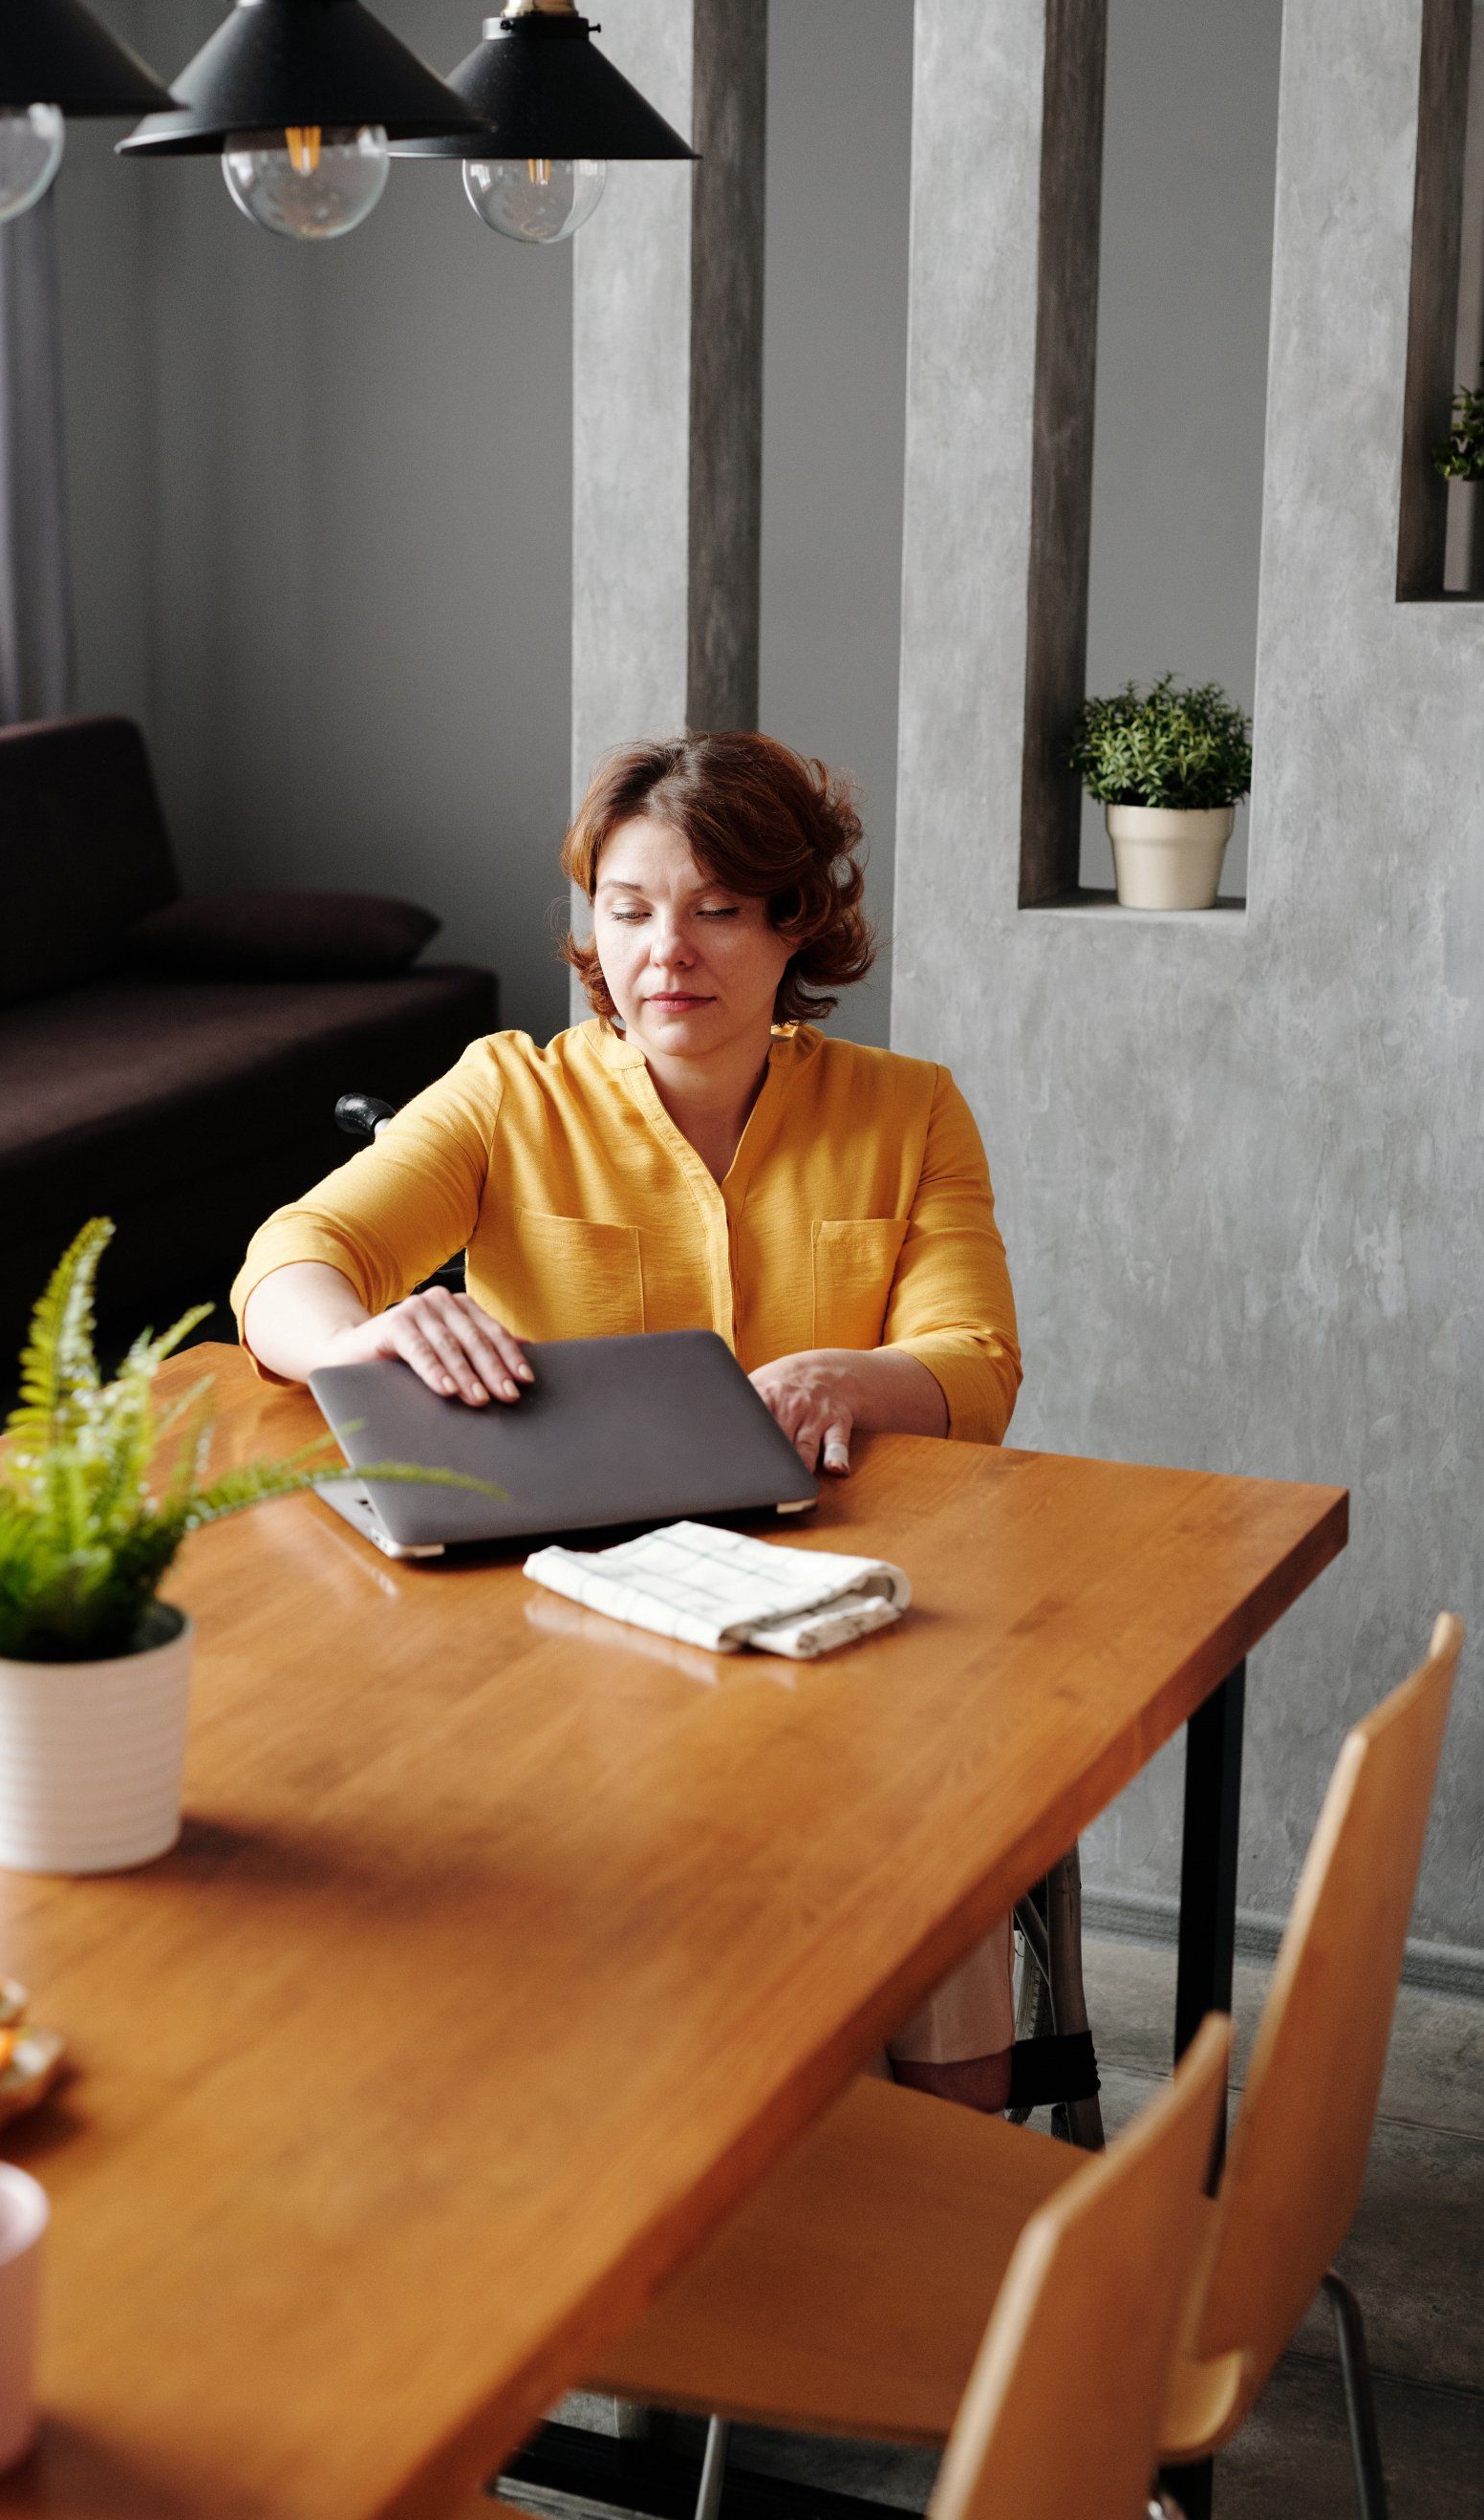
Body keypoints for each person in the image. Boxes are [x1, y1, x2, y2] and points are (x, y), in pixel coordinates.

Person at [234, 733, 1022, 2109]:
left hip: (825, 1619)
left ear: (797, 924)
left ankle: (948, 2243)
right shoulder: (507, 1094)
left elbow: (976, 1362)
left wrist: (853, 1378)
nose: (670, 951)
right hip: (555, 1642)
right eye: (630, 907)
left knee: (941, 1842)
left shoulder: (910, 1111)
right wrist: (362, 1337)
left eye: (718, 909)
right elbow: (289, 1258)